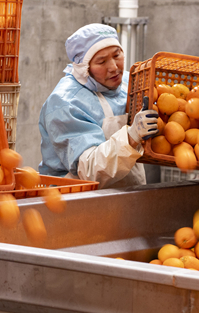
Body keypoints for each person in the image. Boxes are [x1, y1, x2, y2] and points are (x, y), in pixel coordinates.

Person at [38, 24, 158, 189]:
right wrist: (131, 136)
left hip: (128, 195)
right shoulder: (65, 103)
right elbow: (88, 171)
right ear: (84, 68)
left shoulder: (129, 83)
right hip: (77, 201)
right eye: (101, 61)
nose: (114, 67)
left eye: (117, 55)